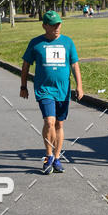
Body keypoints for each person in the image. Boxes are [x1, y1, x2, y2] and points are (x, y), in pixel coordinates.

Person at [20, 10, 83, 174]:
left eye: (59, 24)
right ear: (44, 26)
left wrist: (79, 86)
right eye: (53, 25)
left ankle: (57, 157)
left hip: (63, 89)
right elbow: (26, 65)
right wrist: (23, 86)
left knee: (59, 124)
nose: (57, 28)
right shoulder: (36, 43)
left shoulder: (68, 42)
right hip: (44, 89)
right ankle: (48, 156)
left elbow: (74, 64)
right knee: (49, 121)